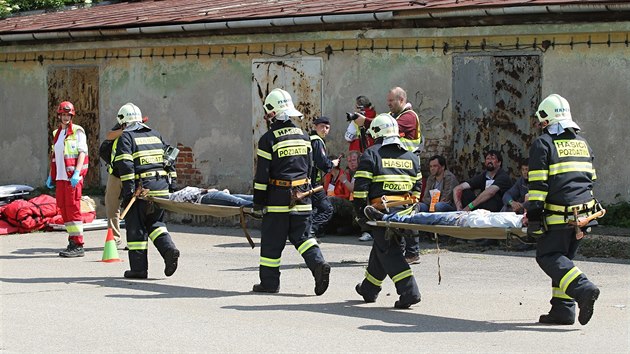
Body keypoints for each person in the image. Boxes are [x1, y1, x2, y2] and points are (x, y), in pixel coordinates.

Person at [527, 94, 601, 326]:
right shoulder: (583, 143)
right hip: (585, 215)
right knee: (564, 259)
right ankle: (563, 309)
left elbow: (538, 186)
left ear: (546, 120)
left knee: (548, 256)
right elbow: (592, 178)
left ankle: (583, 289)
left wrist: (534, 219)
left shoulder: (543, 144)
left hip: (559, 217)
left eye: (541, 121)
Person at [252, 88, 331, 295]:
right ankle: (318, 264)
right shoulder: (305, 137)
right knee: (303, 237)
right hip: (303, 196)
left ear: (272, 113)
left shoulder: (268, 139)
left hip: (278, 198)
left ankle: (269, 283)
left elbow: (262, 177)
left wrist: (258, 203)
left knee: (272, 241)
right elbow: (310, 168)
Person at [353, 113, 422, 309]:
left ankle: (409, 292)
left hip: (380, 212)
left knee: (389, 250)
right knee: (382, 246)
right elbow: (417, 187)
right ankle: (369, 288)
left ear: (376, 133)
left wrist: (361, 216)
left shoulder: (372, 154)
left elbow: (360, 192)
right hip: (407, 213)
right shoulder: (412, 156)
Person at [112, 102, 179, 279]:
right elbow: (170, 158)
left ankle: (138, 269)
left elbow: (126, 166)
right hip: (161, 188)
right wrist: (171, 187)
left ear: (123, 122)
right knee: (155, 224)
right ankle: (169, 250)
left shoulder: (126, 138)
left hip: (141, 191)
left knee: (136, 228)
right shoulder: (155, 135)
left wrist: (129, 192)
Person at [46, 101, 89, 257]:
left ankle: (78, 244)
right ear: (59, 115)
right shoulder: (57, 133)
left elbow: (82, 152)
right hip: (61, 178)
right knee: (64, 208)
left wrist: (77, 173)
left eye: (68, 115)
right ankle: (72, 240)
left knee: (73, 209)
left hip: (72, 177)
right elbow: (55, 156)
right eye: (63, 114)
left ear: (72, 116)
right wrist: (51, 176)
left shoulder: (78, 131)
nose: (65, 117)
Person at [309, 116, 339, 239]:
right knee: (327, 209)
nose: (325, 130)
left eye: (327, 128)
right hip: (313, 184)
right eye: (322, 127)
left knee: (312, 209)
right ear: (315, 127)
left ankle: (309, 230)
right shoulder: (317, 141)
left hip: (308, 181)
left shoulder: (311, 139)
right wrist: (332, 164)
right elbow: (321, 162)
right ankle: (310, 231)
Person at [99, 124, 124, 247]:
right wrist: (124, 131)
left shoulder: (142, 132)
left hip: (134, 175)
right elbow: (109, 135)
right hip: (115, 174)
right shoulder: (120, 127)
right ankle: (114, 237)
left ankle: (135, 238)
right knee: (112, 206)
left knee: (134, 209)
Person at [169, 186, 253, 207]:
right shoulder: (172, 196)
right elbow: (190, 197)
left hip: (211, 194)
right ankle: (259, 207)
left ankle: (263, 200)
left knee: (243, 198)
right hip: (206, 197)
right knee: (238, 202)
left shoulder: (177, 193)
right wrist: (208, 191)